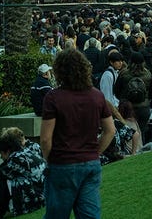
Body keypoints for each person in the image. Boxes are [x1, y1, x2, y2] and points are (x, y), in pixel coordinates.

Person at [40, 48, 116, 219]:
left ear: (59, 71)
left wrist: (49, 159)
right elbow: (110, 130)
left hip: (62, 163)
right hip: (90, 162)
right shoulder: (97, 96)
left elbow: (45, 138)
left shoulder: (53, 98)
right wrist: (96, 152)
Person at [0, 130, 45, 219]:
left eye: (1, 153)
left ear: (7, 151)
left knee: (1, 184)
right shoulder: (26, 152)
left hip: (34, 200)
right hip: (42, 195)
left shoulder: (16, 159)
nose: (1, 157)